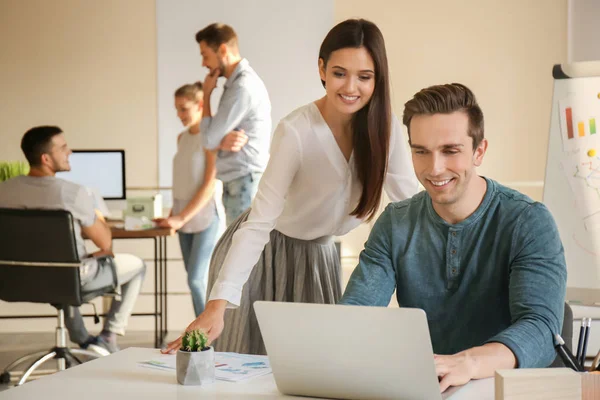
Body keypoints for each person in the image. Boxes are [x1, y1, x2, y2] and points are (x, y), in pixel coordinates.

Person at [163, 18, 419, 355]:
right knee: (251, 367)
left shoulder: (384, 129)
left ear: (378, 79)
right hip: (266, 255)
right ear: (322, 69)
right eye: (340, 73)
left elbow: (413, 205)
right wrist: (216, 305)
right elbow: (259, 222)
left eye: (365, 77)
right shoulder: (297, 130)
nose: (351, 87)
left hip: (321, 255)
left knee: (317, 365)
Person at [338, 83, 567, 392]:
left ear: (479, 151)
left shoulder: (528, 221)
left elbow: (540, 330)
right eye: (421, 151)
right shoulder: (395, 223)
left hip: (507, 391)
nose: (434, 168)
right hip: (428, 389)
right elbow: (357, 314)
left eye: (450, 151)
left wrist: (468, 363)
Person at [0, 126, 146, 354]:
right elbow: (105, 242)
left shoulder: (4, 191)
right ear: (46, 158)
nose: (70, 152)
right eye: (63, 147)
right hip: (71, 279)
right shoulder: (74, 193)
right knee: (137, 265)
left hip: (15, 281)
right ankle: (109, 336)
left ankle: (82, 338)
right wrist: (95, 211)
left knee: (63, 266)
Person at [155, 82, 223, 317]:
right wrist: (172, 215)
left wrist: (181, 217)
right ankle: (202, 337)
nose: (179, 115)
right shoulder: (181, 138)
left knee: (197, 280)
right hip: (181, 220)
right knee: (193, 280)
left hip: (205, 218)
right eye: (177, 109)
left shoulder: (210, 139)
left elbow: (209, 184)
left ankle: (208, 336)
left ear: (200, 105)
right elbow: (182, 181)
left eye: (184, 108)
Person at [195, 23, 272, 225]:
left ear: (222, 50)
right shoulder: (236, 85)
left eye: (205, 55)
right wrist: (219, 141)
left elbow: (208, 139)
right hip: (239, 180)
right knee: (238, 248)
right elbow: (213, 139)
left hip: (244, 180)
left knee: (241, 251)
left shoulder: (242, 87)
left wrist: (206, 93)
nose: (204, 63)